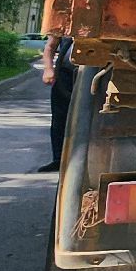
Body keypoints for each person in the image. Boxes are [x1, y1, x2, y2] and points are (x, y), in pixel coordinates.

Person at [37, 36, 76, 173]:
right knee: (60, 119)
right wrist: (48, 69)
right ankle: (58, 160)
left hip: (97, 74)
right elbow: (50, 47)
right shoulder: (64, 21)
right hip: (65, 74)